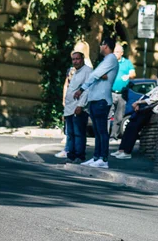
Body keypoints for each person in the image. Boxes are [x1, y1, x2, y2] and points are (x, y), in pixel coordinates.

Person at [73, 37, 119, 168]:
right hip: (95, 99)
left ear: (105, 46)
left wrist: (82, 89)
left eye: (101, 45)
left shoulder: (111, 59)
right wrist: (99, 75)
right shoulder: (106, 60)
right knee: (97, 131)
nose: (99, 47)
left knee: (102, 131)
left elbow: (95, 74)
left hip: (101, 100)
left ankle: (103, 159)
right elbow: (97, 75)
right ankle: (96, 157)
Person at [55, 41, 93, 158]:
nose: (75, 61)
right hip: (70, 107)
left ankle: (79, 155)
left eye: (77, 59)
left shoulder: (87, 71)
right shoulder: (75, 71)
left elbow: (87, 90)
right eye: (73, 59)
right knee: (70, 133)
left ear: (82, 59)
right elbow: (69, 87)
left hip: (78, 108)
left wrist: (80, 105)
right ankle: (70, 155)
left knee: (78, 133)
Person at [110, 85, 158, 159]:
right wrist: (138, 103)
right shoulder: (157, 87)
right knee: (128, 127)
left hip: (148, 111)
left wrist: (137, 102)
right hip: (142, 109)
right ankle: (121, 150)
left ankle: (127, 152)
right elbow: (145, 96)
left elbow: (153, 100)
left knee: (134, 129)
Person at [109, 44, 136, 140]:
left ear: (122, 53)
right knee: (108, 115)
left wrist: (128, 76)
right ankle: (104, 136)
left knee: (119, 116)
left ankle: (113, 136)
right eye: (114, 51)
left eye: (117, 52)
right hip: (110, 92)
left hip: (122, 94)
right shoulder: (110, 62)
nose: (115, 54)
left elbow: (133, 73)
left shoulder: (127, 63)